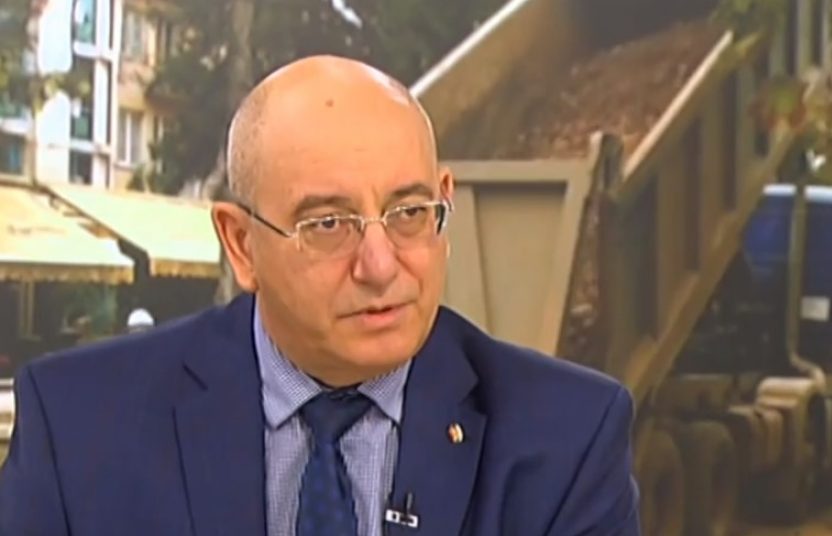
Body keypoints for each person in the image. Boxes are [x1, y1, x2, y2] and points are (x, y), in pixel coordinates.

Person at [0, 55, 640, 535]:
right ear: (242, 245)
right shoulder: (79, 427)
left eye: (409, 213)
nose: (380, 265)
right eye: (329, 224)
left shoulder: (568, 438)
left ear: (444, 201)